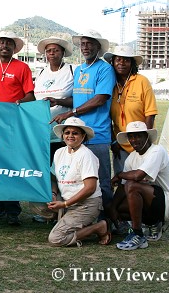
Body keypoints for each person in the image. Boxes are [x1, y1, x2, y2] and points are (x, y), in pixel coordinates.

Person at [52, 29, 116, 212]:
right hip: (78, 135)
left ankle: (107, 221)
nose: (85, 47)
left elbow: (100, 98)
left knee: (101, 181)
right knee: (81, 180)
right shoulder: (79, 69)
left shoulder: (105, 68)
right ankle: (87, 218)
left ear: (98, 46)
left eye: (89, 43)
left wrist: (70, 113)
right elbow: (78, 98)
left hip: (97, 134)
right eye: (83, 44)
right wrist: (59, 101)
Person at [0, 31, 35, 226]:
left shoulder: (23, 67)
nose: (5, 46)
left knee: (12, 166)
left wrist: (18, 102)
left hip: (15, 124)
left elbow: (30, 95)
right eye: (1, 42)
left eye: (9, 43)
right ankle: (1, 207)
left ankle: (13, 211)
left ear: (15, 48)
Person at [111, 121, 169, 250]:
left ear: (146, 137)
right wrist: (113, 208)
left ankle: (138, 235)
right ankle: (153, 222)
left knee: (132, 186)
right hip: (153, 200)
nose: (134, 140)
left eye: (138, 136)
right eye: (131, 137)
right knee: (119, 207)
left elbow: (137, 176)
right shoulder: (131, 157)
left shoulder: (157, 151)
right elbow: (122, 187)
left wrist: (120, 174)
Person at [47, 117, 111, 247]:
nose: (70, 136)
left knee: (56, 239)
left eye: (75, 133)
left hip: (86, 203)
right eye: (67, 132)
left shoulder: (86, 155)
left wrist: (64, 204)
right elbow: (53, 177)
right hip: (67, 200)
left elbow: (90, 188)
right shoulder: (59, 152)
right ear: (62, 135)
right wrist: (54, 193)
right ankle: (67, 220)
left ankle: (99, 227)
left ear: (83, 136)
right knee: (37, 203)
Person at [31, 36, 74, 224]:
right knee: (46, 172)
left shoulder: (71, 71)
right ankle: (48, 212)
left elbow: (77, 100)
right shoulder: (41, 73)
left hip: (63, 133)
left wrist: (59, 101)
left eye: (56, 50)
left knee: (62, 171)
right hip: (41, 133)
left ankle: (65, 210)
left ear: (63, 52)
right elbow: (34, 98)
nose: (52, 53)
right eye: (49, 50)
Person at [103, 45, 158, 174]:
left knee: (141, 182)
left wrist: (145, 143)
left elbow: (150, 114)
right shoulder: (110, 84)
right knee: (122, 179)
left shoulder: (142, 81)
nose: (121, 63)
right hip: (120, 143)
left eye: (126, 60)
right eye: (118, 60)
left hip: (141, 143)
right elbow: (107, 118)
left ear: (132, 63)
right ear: (113, 62)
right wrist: (114, 142)